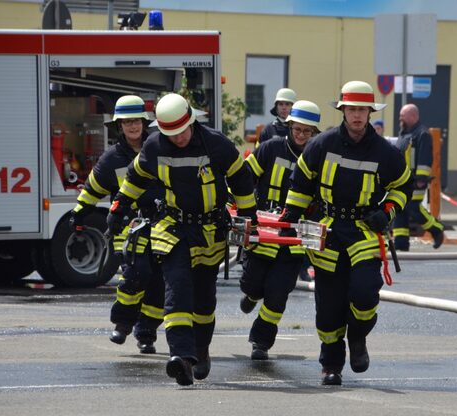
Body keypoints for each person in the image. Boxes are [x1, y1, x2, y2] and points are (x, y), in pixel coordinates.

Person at [106, 93, 257, 386]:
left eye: (182, 131)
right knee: (176, 290)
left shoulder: (217, 144)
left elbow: (241, 179)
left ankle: (200, 351)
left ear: (191, 121)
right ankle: (181, 357)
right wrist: (119, 206)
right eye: (171, 134)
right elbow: (136, 177)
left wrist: (248, 217)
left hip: (210, 231)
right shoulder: (154, 146)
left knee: (203, 300)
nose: (178, 138)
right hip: (173, 228)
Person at [280, 81, 413, 386]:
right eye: (351, 109)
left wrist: (387, 212)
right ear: (343, 110)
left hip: (364, 230)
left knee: (366, 292)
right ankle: (330, 365)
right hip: (327, 230)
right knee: (328, 306)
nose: (356, 115)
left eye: (362, 110)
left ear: (370, 113)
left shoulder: (384, 151)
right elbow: (301, 181)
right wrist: (291, 215)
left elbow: (403, 186)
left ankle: (358, 337)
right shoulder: (322, 144)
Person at [70, 95, 164, 354]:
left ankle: (147, 334)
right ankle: (122, 323)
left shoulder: (158, 147)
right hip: (129, 226)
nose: (132, 127)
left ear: (144, 123)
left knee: (158, 282)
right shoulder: (111, 158)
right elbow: (93, 187)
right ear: (119, 126)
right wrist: (80, 211)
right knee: (136, 274)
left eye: (136, 121)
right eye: (127, 122)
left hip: (161, 224)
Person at [241, 100, 321, 360]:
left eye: (307, 131)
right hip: (262, 233)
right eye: (297, 129)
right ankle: (251, 296)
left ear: (314, 133)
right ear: (289, 127)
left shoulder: (318, 159)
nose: (301, 135)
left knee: (278, 294)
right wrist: (237, 203)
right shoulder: (269, 148)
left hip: (293, 239)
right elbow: (245, 177)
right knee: (252, 284)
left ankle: (261, 342)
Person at [393, 103, 445, 251]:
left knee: (412, 208)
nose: (400, 118)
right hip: (401, 180)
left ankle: (436, 229)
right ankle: (401, 243)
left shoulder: (422, 134)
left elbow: (425, 159)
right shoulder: (403, 133)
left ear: (414, 116)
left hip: (416, 181)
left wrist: (421, 179)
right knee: (400, 209)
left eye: (403, 115)